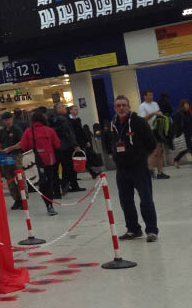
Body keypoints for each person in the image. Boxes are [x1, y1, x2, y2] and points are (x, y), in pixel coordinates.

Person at [102, 95, 159, 242]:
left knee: (146, 199)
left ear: (129, 106)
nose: (121, 108)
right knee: (125, 201)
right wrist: (113, 155)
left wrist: (141, 156)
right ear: (114, 108)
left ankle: (152, 230)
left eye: (124, 105)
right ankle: (133, 229)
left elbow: (151, 143)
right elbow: (110, 141)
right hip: (121, 170)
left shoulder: (139, 122)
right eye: (118, 106)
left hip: (139, 168)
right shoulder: (113, 123)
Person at [7, 111, 61, 216]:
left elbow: (24, 145)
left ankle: (48, 204)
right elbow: (57, 144)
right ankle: (50, 204)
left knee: (41, 183)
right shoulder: (49, 130)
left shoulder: (29, 131)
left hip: (35, 160)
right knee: (50, 182)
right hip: (49, 160)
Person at [49, 103, 83, 195]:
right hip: (65, 146)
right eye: (63, 107)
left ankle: (58, 189)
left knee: (55, 169)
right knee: (67, 167)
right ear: (58, 109)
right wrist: (75, 145)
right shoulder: (63, 119)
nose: (65, 108)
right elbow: (68, 133)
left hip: (54, 147)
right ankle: (66, 184)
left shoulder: (51, 119)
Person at [0, 112, 24, 210]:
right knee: (9, 179)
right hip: (5, 157)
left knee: (20, 178)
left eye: (8, 119)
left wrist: (10, 149)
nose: (7, 122)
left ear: (12, 119)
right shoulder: (3, 131)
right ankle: (16, 199)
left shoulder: (17, 129)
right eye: (5, 120)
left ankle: (23, 199)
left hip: (15, 156)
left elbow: (21, 143)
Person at [138, 89, 169, 179]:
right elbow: (143, 120)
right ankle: (148, 170)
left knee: (160, 151)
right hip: (149, 130)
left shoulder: (155, 104)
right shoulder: (142, 106)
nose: (151, 96)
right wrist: (153, 114)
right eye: (149, 95)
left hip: (157, 129)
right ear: (145, 96)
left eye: (152, 95)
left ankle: (160, 172)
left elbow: (159, 113)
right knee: (154, 151)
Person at [68, 105, 99, 179]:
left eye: (77, 109)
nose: (76, 111)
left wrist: (86, 140)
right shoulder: (69, 120)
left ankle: (91, 172)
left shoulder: (78, 119)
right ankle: (90, 172)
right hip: (74, 141)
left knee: (82, 157)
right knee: (77, 158)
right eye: (74, 109)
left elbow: (81, 130)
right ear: (70, 111)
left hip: (80, 141)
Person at [172, 99, 192, 167]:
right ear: (182, 106)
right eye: (185, 105)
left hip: (189, 132)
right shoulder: (179, 114)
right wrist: (178, 134)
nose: (187, 106)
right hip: (183, 134)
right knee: (187, 148)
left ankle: (176, 160)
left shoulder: (189, 113)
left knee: (189, 148)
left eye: (188, 104)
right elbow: (176, 125)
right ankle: (176, 160)